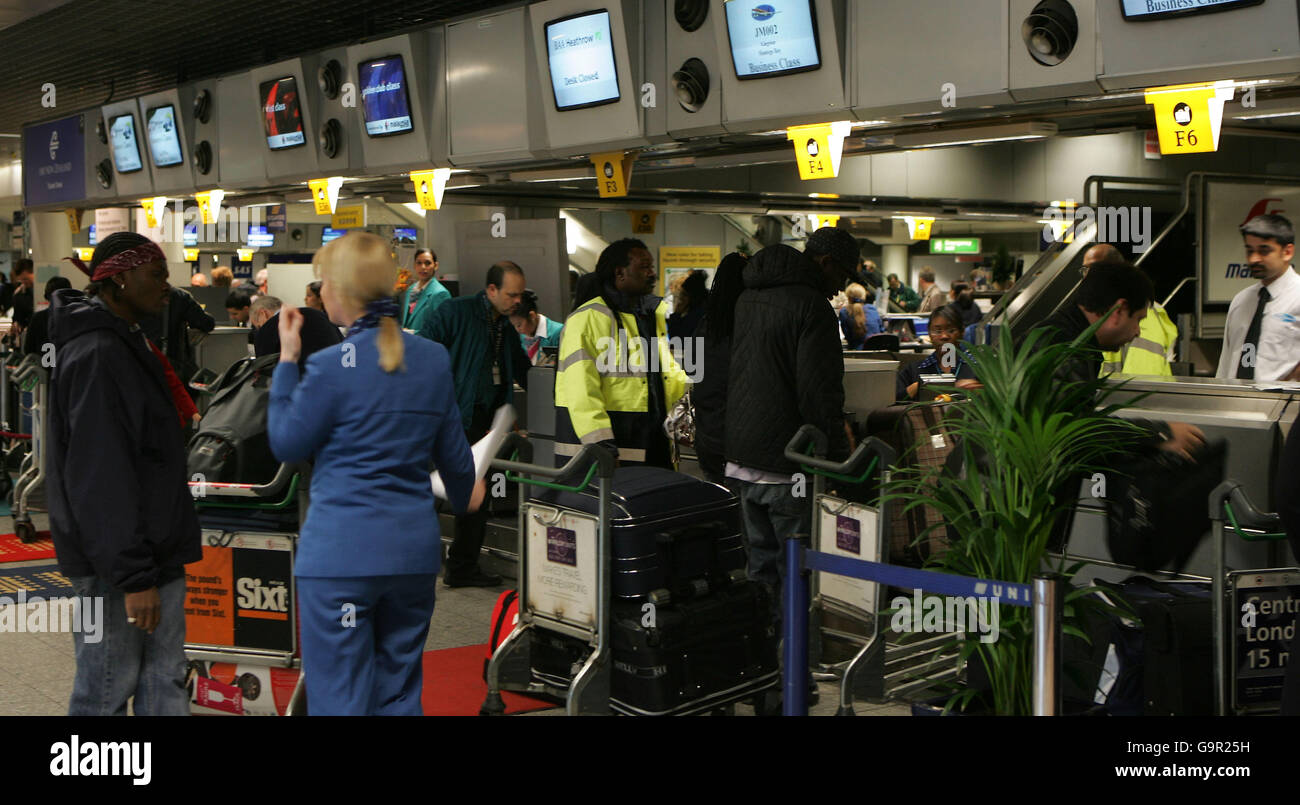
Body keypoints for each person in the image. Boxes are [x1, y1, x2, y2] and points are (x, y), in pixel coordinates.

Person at [267, 231, 482, 716]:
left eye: (323, 283)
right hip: (411, 555)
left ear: (341, 291)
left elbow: (286, 442)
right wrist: (470, 491)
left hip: (341, 557)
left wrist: (286, 362)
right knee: (400, 689)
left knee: (342, 693)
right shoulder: (432, 359)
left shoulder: (329, 365)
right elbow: (459, 468)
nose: (320, 293)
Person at [47, 232, 200, 715]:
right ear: (118, 280)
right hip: (115, 566)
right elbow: (99, 474)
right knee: (105, 689)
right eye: (155, 274)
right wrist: (133, 577)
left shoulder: (128, 340)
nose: (166, 287)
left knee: (164, 683)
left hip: (151, 550)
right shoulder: (98, 353)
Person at [725, 227, 856, 641]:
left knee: (759, 570)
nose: (841, 287)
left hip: (742, 458)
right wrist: (836, 461)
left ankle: (760, 665)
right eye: (843, 275)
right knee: (795, 571)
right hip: (789, 466)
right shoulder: (812, 307)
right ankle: (792, 675)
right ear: (824, 263)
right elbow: (819, 393)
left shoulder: (748, 297)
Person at [419, 261, 530, 588]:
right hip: (450, 419)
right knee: (434, 493)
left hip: (485, 425)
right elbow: (423, 352)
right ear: (491, 290)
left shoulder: (504, 327)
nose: (517, 301)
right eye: (511, 294)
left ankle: (462, 567)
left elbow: (521, 369)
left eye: (520, 295)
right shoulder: (455, 312)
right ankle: (414, 562)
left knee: (477, 500)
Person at [1030, 260, 1205, 459]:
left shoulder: (1063, 337)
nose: (1138, 332)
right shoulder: (1064, 349)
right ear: (1119, 310)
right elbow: (1073, 432)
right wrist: (1159, 435)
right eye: (1138, 319)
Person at [555, 238, 687, 470]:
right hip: (608, 453)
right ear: (620, 273)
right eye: (644, 267)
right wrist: (601, 444)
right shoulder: (587, 319)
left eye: (651, 267)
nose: (652, 274)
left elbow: (665, 376)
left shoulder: (649, 317)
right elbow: (581, 390)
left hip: (652, 445)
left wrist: (699, 394)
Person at [1216, 214, 1300, 381]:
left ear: (1287, 251)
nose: (1254, 259)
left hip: (1287, 403)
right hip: (1236, 400)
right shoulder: (1241, 301)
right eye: (1249, 250)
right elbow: (1226, 363)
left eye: (1264, 250)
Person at [692, 252, 747, 485]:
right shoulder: (749, 323)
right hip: (741, 437)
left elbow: (692, 366)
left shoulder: (708, 322)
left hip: (708, 432)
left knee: (720, 502)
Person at [1083, 243, 1177, 377]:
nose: (1086, 277)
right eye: (1085, 270)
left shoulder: (1140, 314)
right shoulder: (1115, 311)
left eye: (1092, 270)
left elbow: (1139, 381)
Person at [140, 285, 217, 390]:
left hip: (138, 368)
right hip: (170, 366)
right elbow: (207, 323)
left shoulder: (129, 295)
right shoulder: (178, 296)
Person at [895, 305, 978, 400]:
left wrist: (981, 390)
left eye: (951, 330)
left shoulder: (977, 368)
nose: (944, 336)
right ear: (929, 334)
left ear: (962, 332)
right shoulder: (913, 371)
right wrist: (916, 387)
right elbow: (894, 402)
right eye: (937, 331)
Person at [253, 300, 343, 367]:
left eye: (257, 326)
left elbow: (262, 371)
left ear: (263, 314)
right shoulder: (319, 315)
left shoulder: (267, 329)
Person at [400, 248, 451, 331]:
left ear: (435, 265)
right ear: (414, 265)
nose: (423, 267)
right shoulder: (410, 289)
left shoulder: (440, 294)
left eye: (427, 263)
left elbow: (442, 330)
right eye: (419, 263)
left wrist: (413, 333)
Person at [510, 289, 563, 365]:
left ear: (532, 315)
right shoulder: (522, 336)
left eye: (519, 325)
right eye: (513, 325)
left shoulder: (557, 332)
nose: (517, 329)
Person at [23, 276, 72, 357]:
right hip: (68, 366)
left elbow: (28, 349)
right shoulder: (75, 317)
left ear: (47, 296)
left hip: (44, 366)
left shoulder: (38, 318)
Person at [667, 269, 708, 341]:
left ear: (692, 296)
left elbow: (676, 340)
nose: (681, 298)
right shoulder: (706, 307)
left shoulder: (695, 316)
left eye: (684, 295)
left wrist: (676, 314)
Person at [839, 282, 883, 349]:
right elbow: (881, 330)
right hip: (878, 352)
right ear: (864, 296)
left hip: (858, 353)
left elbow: (848, 336)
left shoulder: (844, 312)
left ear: (848, 298)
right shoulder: (872, 309)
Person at [8, 259, 35, 339]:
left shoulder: (48, 290)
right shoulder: (19, 295)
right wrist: (16, 324)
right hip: (31, 336)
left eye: (26, 279)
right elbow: (18, 317)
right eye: (21, 280)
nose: (24, 282)